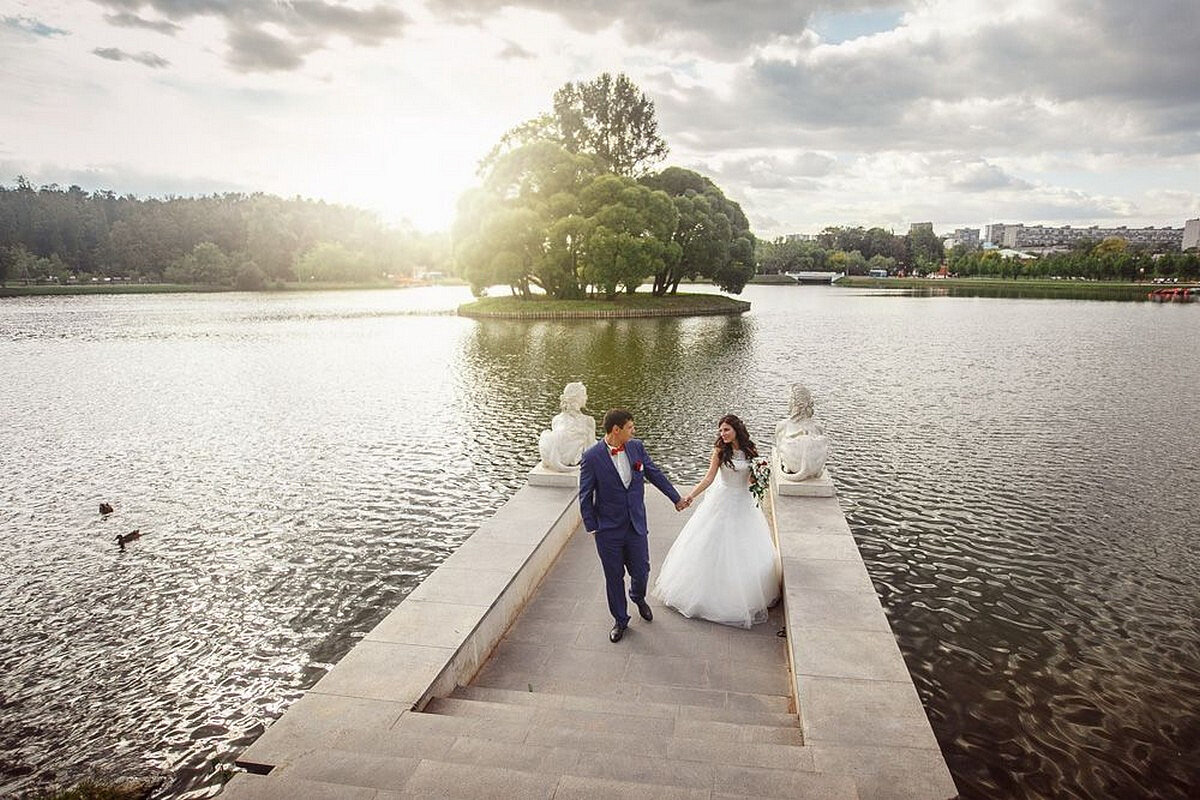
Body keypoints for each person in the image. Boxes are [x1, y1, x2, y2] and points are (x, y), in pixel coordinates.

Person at [652, 414, 781, 629]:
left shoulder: (751, 450)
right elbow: (709, 478)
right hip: (723, 499)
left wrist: (759, 476)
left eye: (726, 430)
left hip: (744, 502)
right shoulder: (721, 450)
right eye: (721, 430)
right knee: (712, 543)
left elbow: (751, 480)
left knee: (743, 547)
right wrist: (690, 496)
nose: (723, 434)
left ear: (737, 429)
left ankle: (744, 593)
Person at [579, 409, 689, 643]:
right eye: (630, 427)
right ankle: (620, 620)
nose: (634, 431)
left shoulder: (636, 447)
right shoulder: (591, 457)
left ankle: (638, 597)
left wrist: (676, 498)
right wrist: (592, 526)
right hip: (608, 530)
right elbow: (585, 495)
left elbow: (654, 473)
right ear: (616, 430)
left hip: (636, 525)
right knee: (613, 576)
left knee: (642, 570)